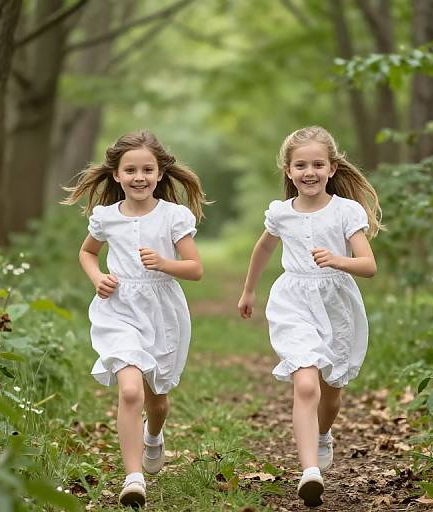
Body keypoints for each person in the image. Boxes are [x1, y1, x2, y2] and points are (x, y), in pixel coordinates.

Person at [238, 126, 381, 507]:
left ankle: (322, 435)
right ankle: (309, 472)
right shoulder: (281, 213)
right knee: (305, 383)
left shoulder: (346, 211)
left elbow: (368, 265)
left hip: (337, 304)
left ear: (332, 168)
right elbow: (263, 249)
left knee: (331, 392)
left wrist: (337, 260)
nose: (309, 171)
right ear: (288, 170)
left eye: (318, 164)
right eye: (301, 165)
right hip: (293, 302)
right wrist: (250, 289)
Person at [62, 130, 206, 507]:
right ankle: (133, 478)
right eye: (131, 170)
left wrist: (164, 263)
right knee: (130, 390)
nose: (139, 177)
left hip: (163, 312)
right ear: (116, 175)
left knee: (156, 399)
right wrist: (97, 278)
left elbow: (194, 269)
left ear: (160, 174)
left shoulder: (174, 216)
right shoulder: (106, 217)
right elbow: (87, 254)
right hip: (119, 308)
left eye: (147, 169)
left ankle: (153, 436)